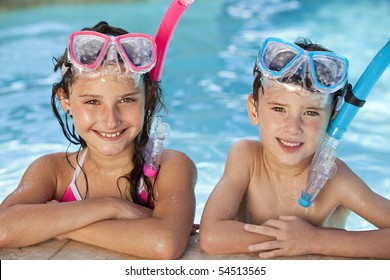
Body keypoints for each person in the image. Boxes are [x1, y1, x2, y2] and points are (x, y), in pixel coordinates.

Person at [0, 21, 197, 260]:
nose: (110, 121)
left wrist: (58, 220)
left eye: (126, 100)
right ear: (66, 101)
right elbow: (4, 228)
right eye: (92, 102)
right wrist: (112, 207)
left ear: (149, 99)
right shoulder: (53, 170)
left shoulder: (171, 167)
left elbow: (164, 243)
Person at [200, 37, 390, 259]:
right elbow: (212, 236)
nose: (293, 128)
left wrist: (314, 240)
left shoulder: (336, 178)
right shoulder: (246, 158)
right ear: (254, 110)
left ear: (333, 121)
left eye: (311, 112)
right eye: (279, 108)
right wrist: (290, 242)